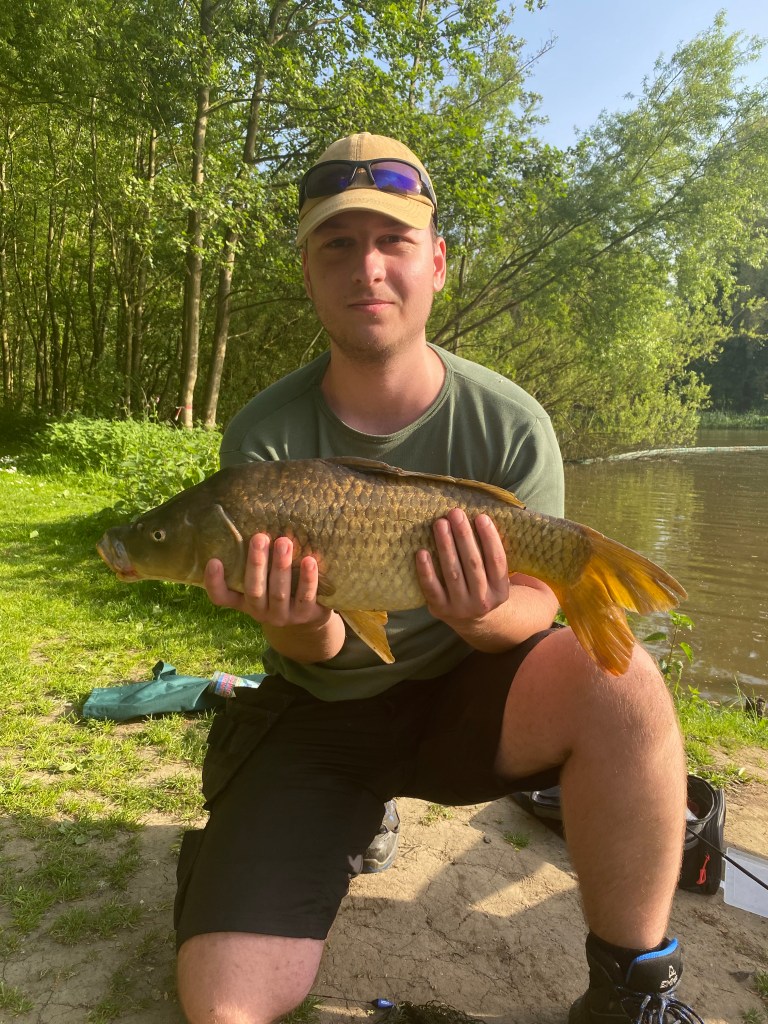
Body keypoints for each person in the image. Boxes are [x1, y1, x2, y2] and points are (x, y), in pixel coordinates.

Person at [173, 132, 704, 1024]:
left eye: (394, 241)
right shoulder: (264, 437)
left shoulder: (511, 421)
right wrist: (293, 618)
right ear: (308, 273)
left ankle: (631, 986)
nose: (367, 268)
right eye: (338, 245)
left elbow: (535, 608)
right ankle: (305, 831)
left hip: (466, 698)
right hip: (320, 713)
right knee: (225, 1005)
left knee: (624, 681)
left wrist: (482, 613)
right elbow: (322, 648)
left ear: (438, 264)